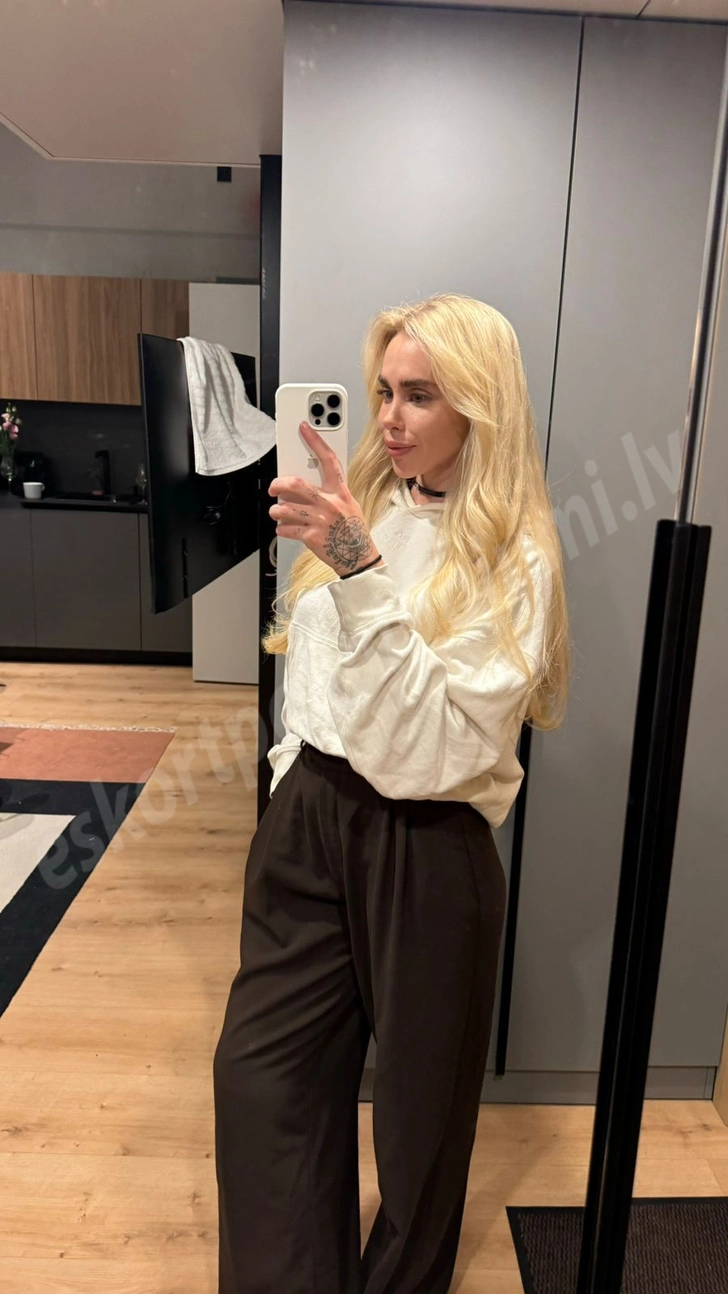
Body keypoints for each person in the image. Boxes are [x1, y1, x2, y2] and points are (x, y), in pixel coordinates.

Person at [213, 292, 571, 1294]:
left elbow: (429, 750)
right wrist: (291, 774)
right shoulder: (361, 508)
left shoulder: (514, 558)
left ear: (480, 406)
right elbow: (313, 668)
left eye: (420, 395)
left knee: (418, 1129)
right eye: (382, 391)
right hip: (310, 819)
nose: (389, 418)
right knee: (261, 1084)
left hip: (427, 845)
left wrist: (358, 567)